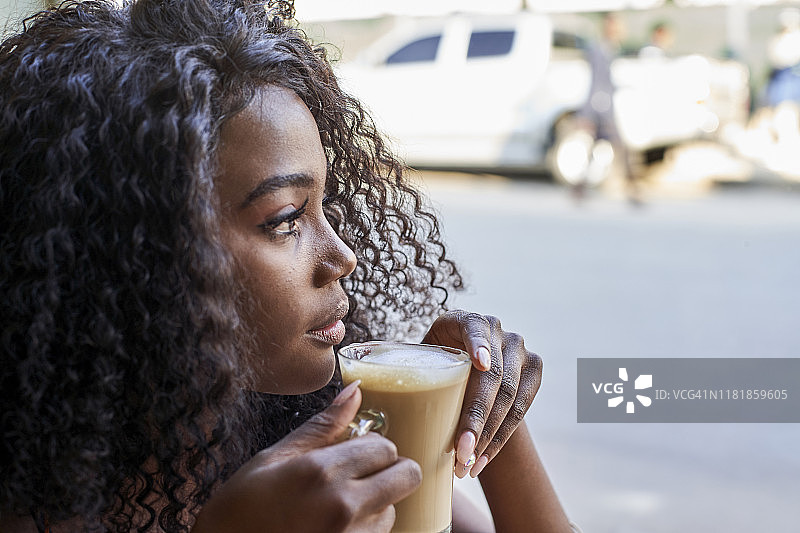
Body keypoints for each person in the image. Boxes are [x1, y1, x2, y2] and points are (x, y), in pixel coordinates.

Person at [0, 1, 575, 532]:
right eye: (284, 219)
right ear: (138, 255)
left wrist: (489, 409)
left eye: (326, 204)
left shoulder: (320, 429)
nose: (342, 255)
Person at [575, 12, 639, 204]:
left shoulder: (611, 49)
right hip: (601, 110)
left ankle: (579, 187)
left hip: (605, 108)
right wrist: (587, 113)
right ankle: (633, 191)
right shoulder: (597, 49)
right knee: (622, 150)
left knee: (597, 150)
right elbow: (595, 84)